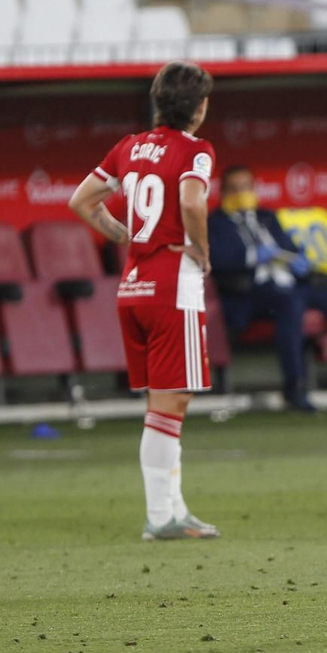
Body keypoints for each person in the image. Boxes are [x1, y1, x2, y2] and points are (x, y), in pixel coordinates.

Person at [66, 61, 221, 541]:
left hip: (134, 282)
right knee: (172, 401)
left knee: (165, 401)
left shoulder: (129, 147)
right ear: (198, 108)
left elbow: (81, 201)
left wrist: (125, 234)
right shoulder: (195, 150)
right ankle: (159, 517)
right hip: (173, 280)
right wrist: (202, 249)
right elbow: (193, 202)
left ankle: (173, 508)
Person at [208, 166, 327, 414]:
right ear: (223, 192)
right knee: (291, 304)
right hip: (252, 291)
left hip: (290, 283)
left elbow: (290, 247)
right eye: (235, 188)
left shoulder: (267, 216)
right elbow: (218, 259)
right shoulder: (215, 223)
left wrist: (297, 261)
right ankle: (295, 388)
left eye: (246, 187)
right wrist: (252, 255)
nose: (241, 193)